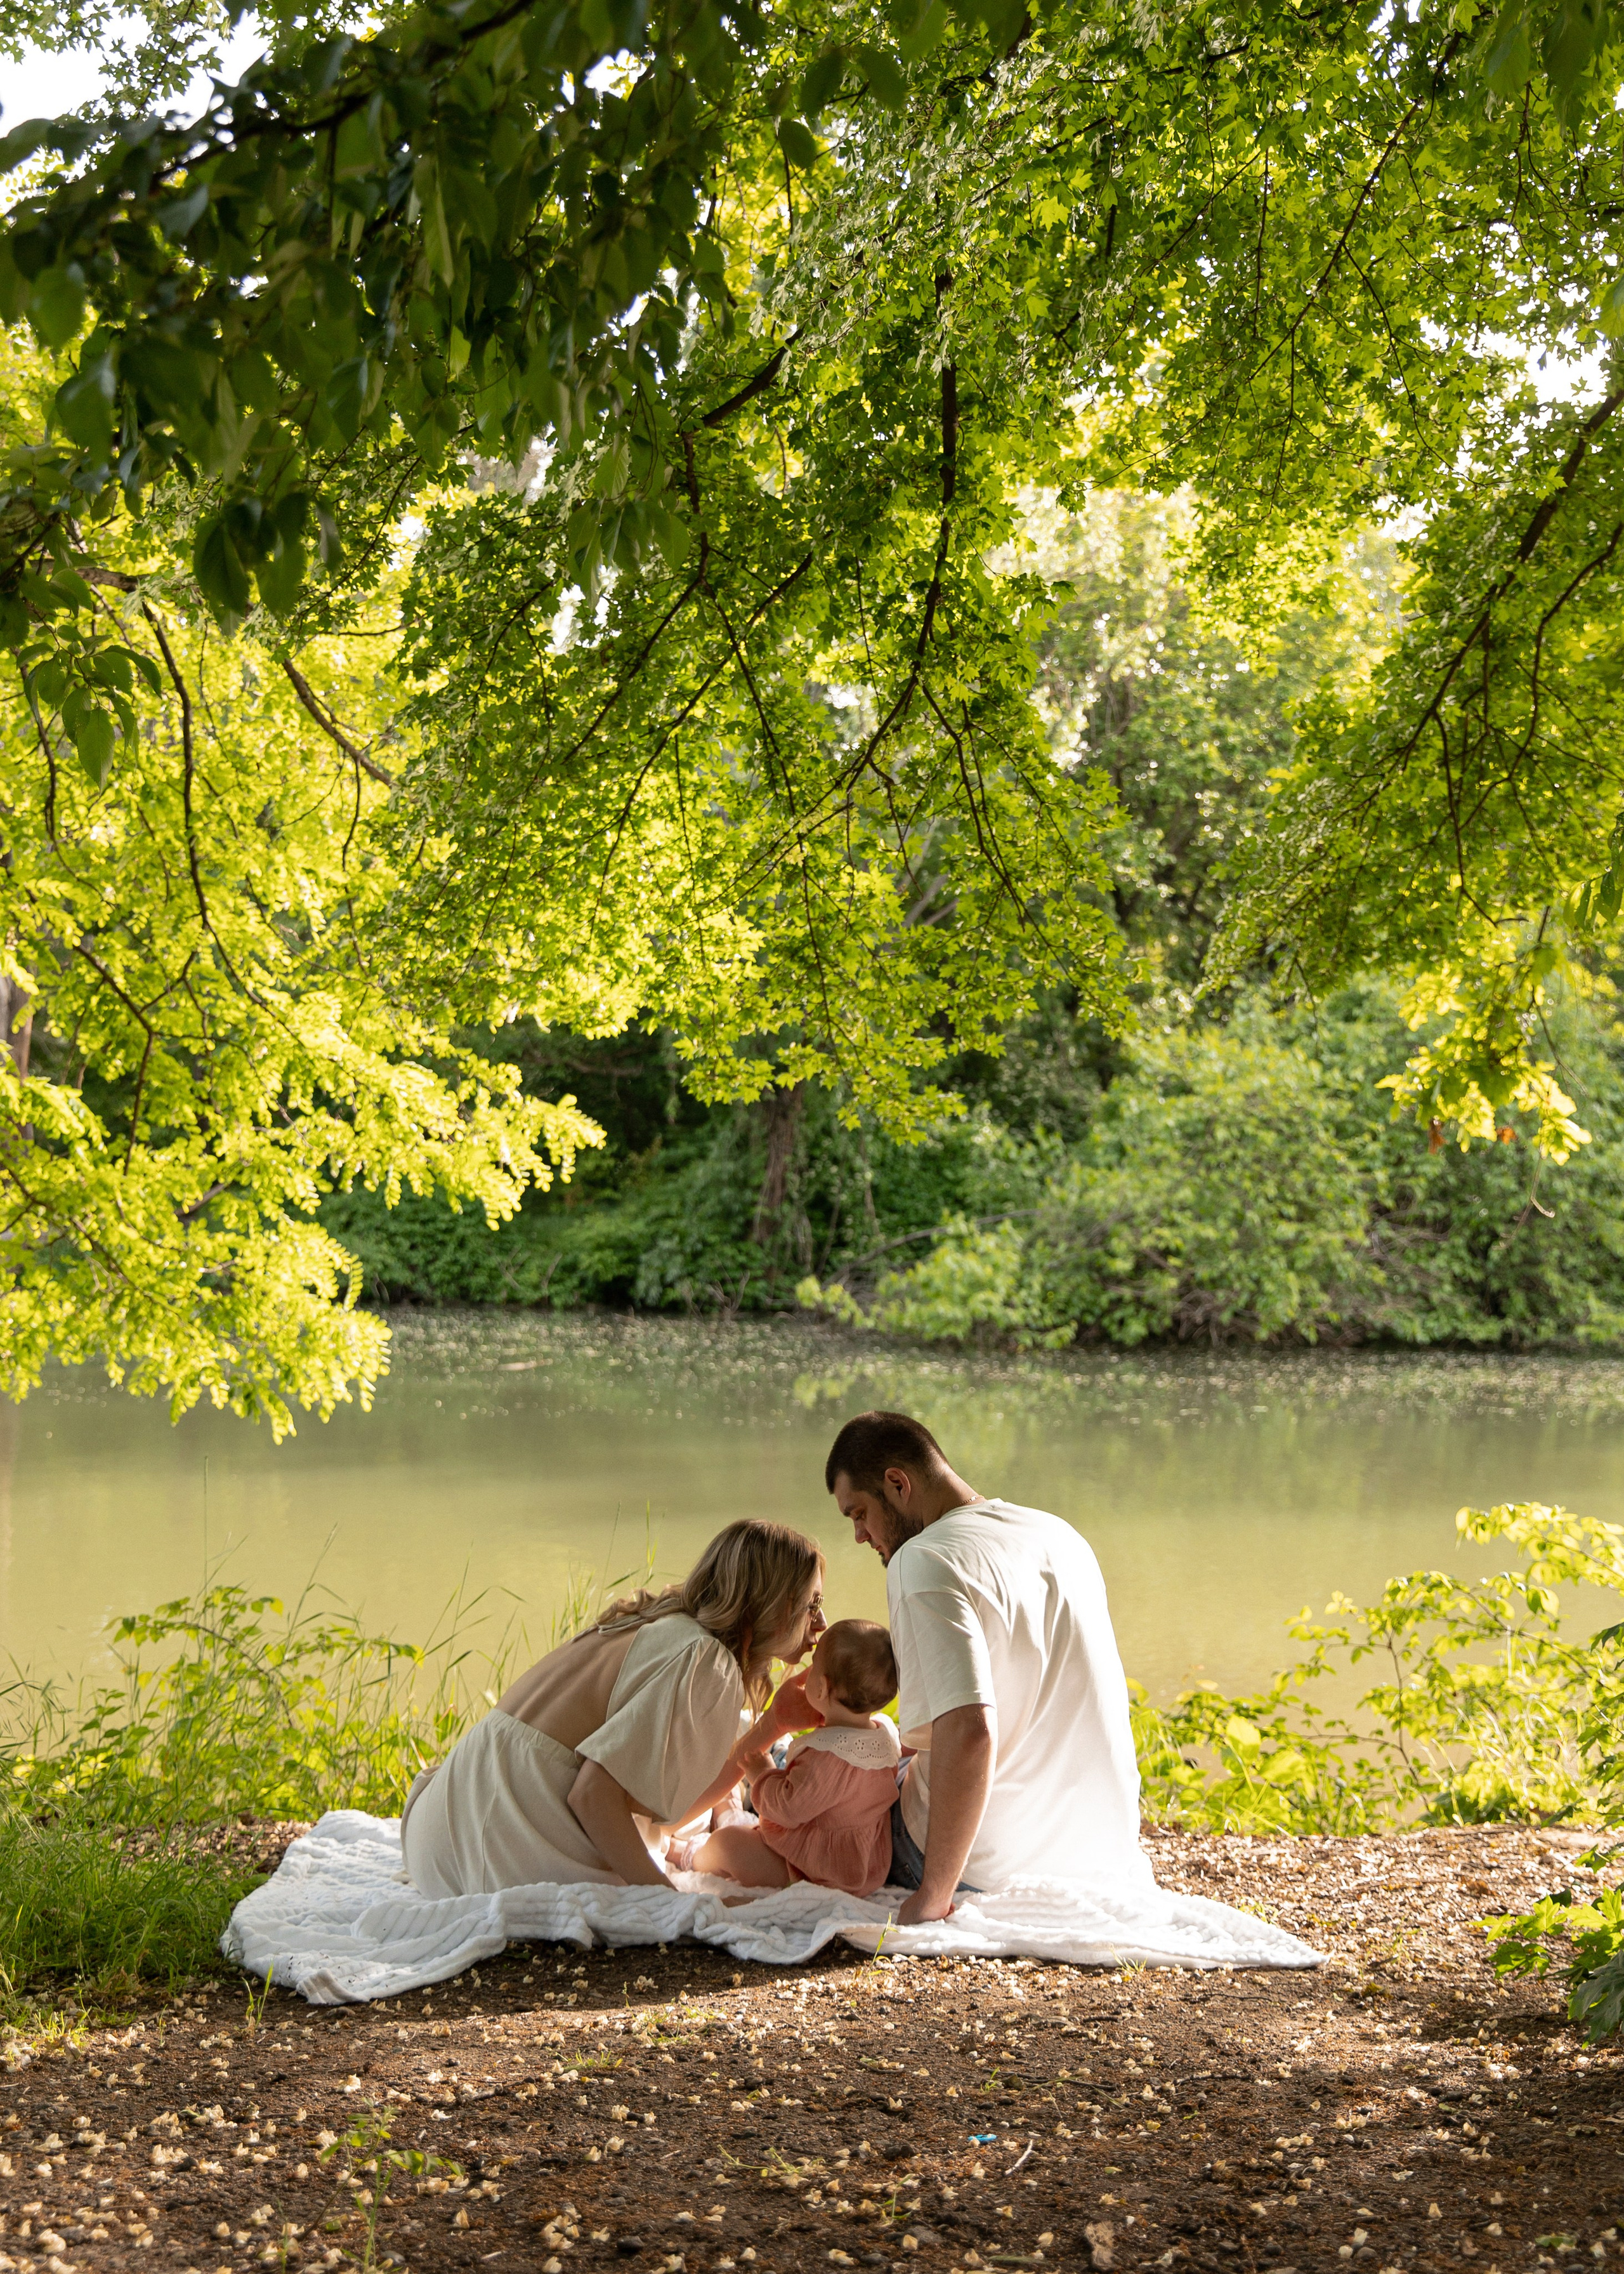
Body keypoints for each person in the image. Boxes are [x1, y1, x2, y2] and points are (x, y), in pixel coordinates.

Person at [826, 1410, 1147, 1924]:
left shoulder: (923, 1560)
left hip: (989, 1863)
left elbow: (969, 1731)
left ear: (897, 1483)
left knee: (812, 1770)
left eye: (859, 1513)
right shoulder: (1058, 1534)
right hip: (1101, 1853)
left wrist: (934, 1895)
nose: (861, 1535)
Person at [401, 1520, 827, 1898]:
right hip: (503, 1847)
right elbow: (592, 1796)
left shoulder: (655, 1624)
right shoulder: (702, 1658)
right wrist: (668, 1902)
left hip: (439, 1830)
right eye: (812, 1604)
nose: (821, 1623)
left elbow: (658, 1810)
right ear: (775, 1604)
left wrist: (773, 1725)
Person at [671, 1620, 902, 1897]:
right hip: (863, 1865)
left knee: (728, 1846)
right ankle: (730, 1814)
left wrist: (763, 1774)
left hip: (817, 1872)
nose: (809, 1670)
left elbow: (787, 1810)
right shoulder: (885, 1734)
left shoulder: (827, 1758)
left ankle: (688, 1854)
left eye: (814, 1665)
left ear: (821, 1689)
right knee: (748, 1827)